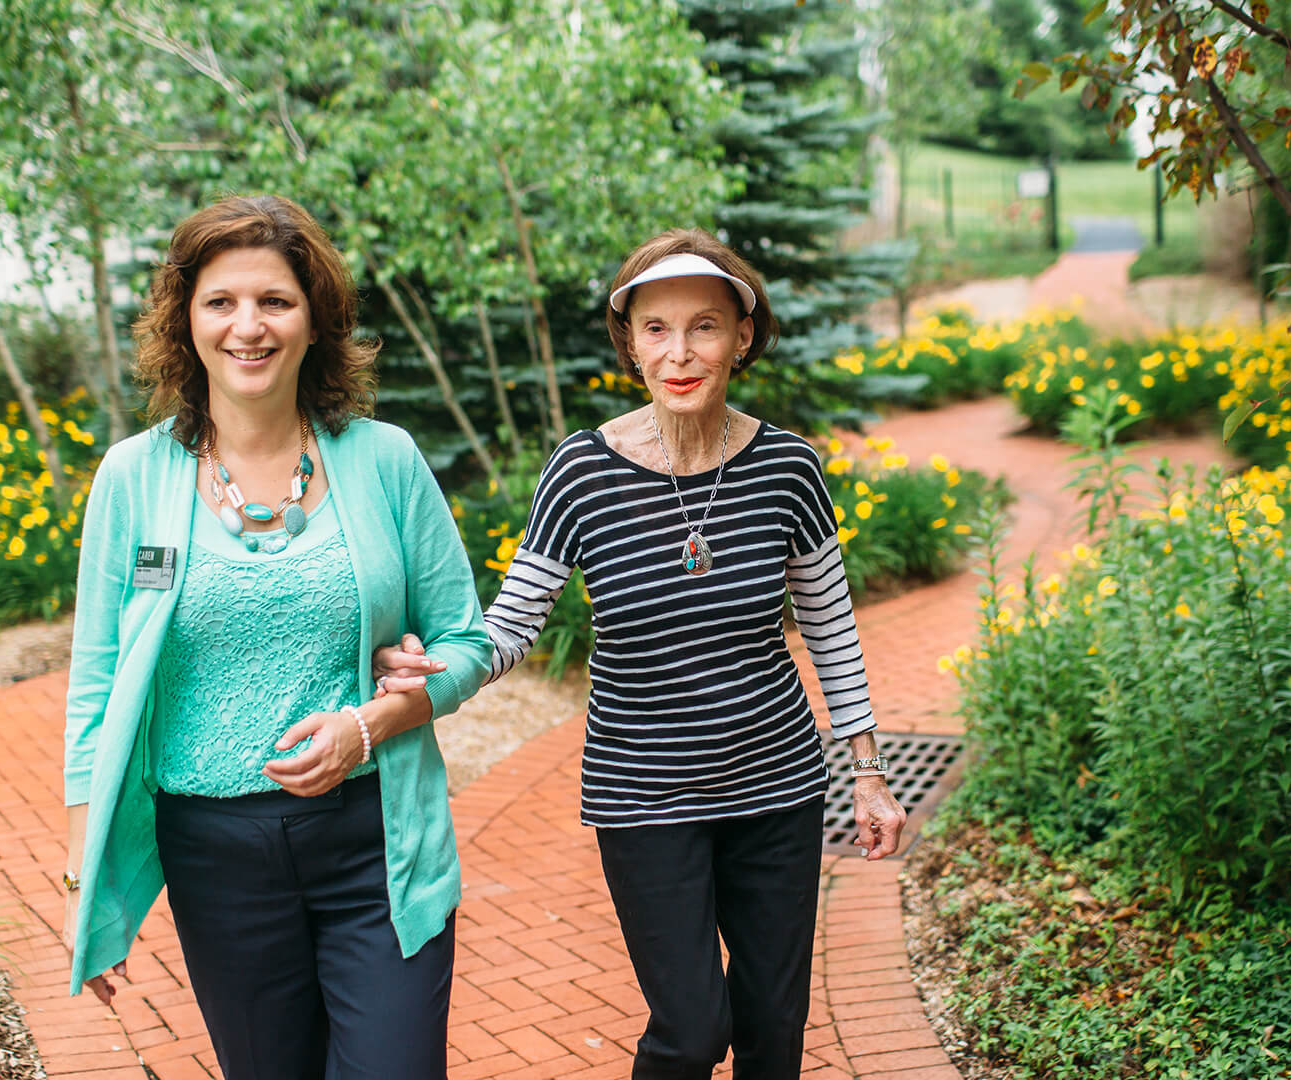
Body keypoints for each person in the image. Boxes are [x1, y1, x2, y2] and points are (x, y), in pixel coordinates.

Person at [377, 228, 907, 1080]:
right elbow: (514, 624)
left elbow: (831, 628)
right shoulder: (581, 473)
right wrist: (443, 662)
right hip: (643, 794)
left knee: (775, 1026)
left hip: (777, 786)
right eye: (655, 328)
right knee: (693, 1030)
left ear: (743, 335)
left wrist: (867, 768)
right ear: (630, 343)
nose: (680, 351)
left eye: (704, 326)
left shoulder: (789, 470)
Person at [61, 194, 490, 1080]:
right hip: (216, 860)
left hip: (378, 846)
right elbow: (95, 689)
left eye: (275, 301)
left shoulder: (385, 460)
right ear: (185, 319)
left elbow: (468, 641)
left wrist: (376, 719)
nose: (247, 326)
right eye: (220, 301)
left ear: (314, 320)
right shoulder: (133, 478)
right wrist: (88, 886)